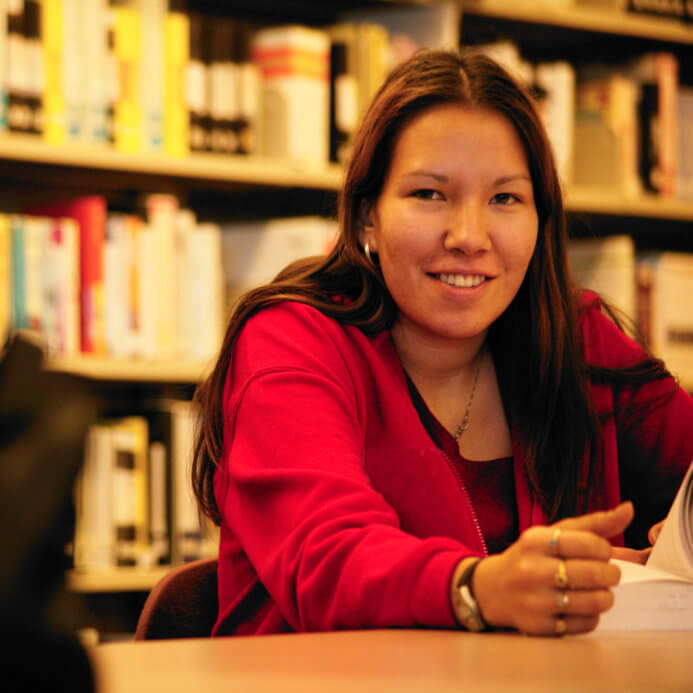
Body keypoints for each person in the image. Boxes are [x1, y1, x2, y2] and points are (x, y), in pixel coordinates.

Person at [192, 49, 693, 637]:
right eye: (430, 194)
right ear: (366, 218)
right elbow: (327, 560)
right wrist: (482, 589)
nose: (469, 237)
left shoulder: (576, 340)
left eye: (505, 198)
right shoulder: (292, 341)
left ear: (540, 220)